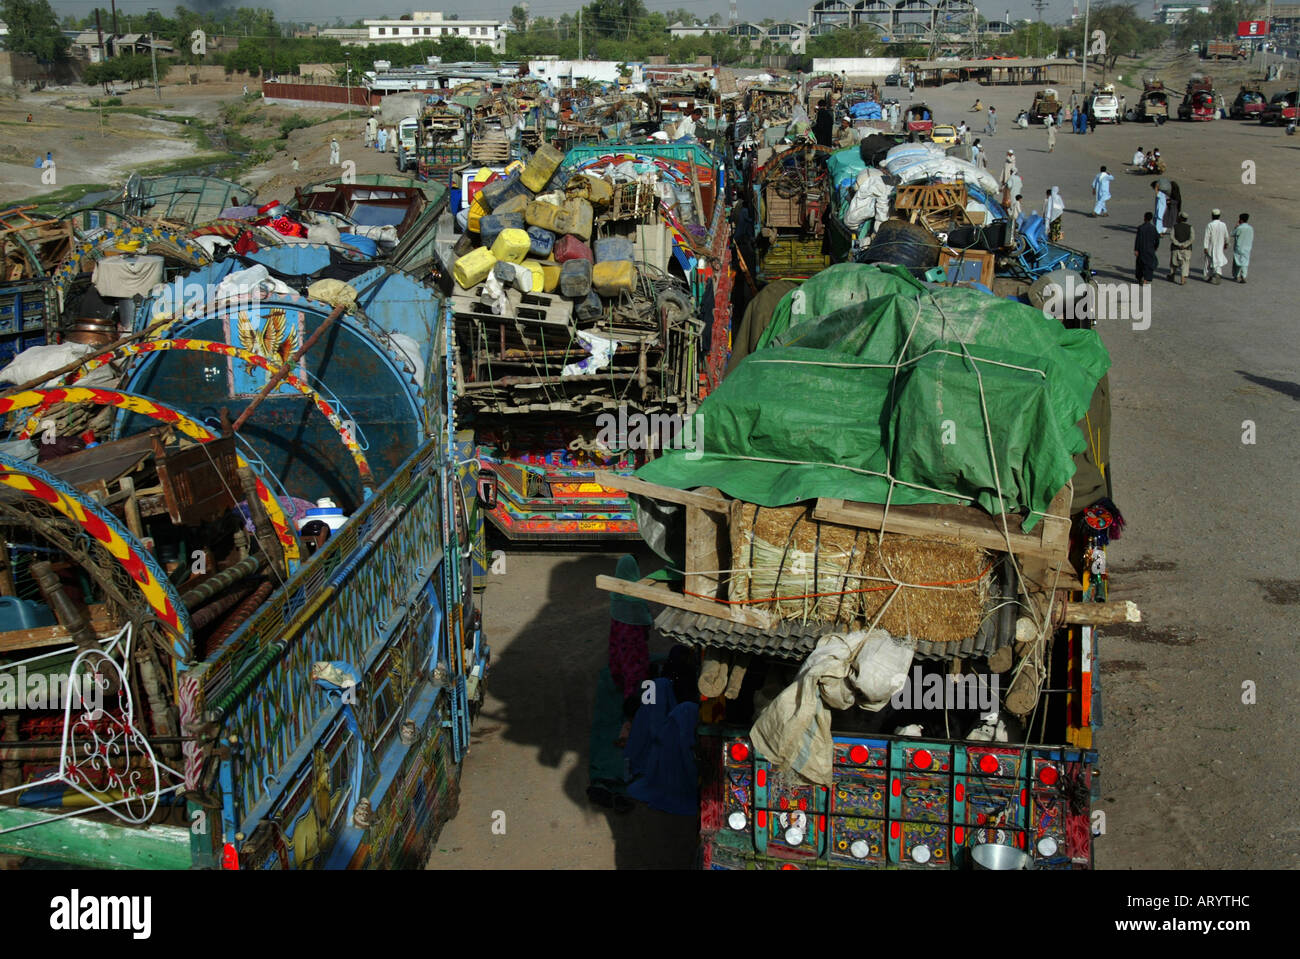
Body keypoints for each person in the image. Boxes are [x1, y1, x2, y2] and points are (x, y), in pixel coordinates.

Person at [608, 554, 653, 745]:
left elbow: (614, 624)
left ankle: (628, 716)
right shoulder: (637, 593)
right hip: (634, 646)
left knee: (622, 669)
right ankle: (630, 723)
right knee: (635, 677)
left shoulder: (615, 593)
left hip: (621, 644)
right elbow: (644, 620)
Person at [1202, 208, 1230, 283]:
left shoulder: (1210, 225)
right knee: (1217, 260)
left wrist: (1205, 247)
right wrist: (1226, 243)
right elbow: (1226, 235)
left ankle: (1216, 274)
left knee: (1210, 261)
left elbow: (1207, 236)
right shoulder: (1223, 225)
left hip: (1211, 246)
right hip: (1219, 246)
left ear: (1212, 216)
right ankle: (1212, 276)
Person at [1134, 211, 1160, 285]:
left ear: (1144, 218)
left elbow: (1137, 240)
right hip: (1150, 249)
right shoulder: (1153, 228)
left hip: (1141, 249)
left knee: (1140, 265)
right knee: (1148, 265)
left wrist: (1136, 249)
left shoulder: (1141, 228)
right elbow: (1157, 239)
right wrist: (1155, 247)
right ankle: (1146, 280)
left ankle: (1140, 278)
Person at [1169, 212, 1194, 284]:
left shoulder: (1175, 226)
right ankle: (1183, 279)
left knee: (1173, 264)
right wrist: (1185, 245)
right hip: (1187, 249)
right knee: (1185, 264)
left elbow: (1172, 237)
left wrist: (1178, 244)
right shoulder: (1190, 227)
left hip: (1176, 248)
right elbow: (1192, 238)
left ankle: (1172, 276)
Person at [1232, 212, 1253, 283]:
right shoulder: (1250, 228)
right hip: (1247, 247)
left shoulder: (1239, 228)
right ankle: (1243, 276)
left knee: (1237, 262)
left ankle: (1236, 275)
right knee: (1245, 262)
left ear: (1240, 220)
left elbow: (1232, 234)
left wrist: (1236, 227)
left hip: (1239, 247)